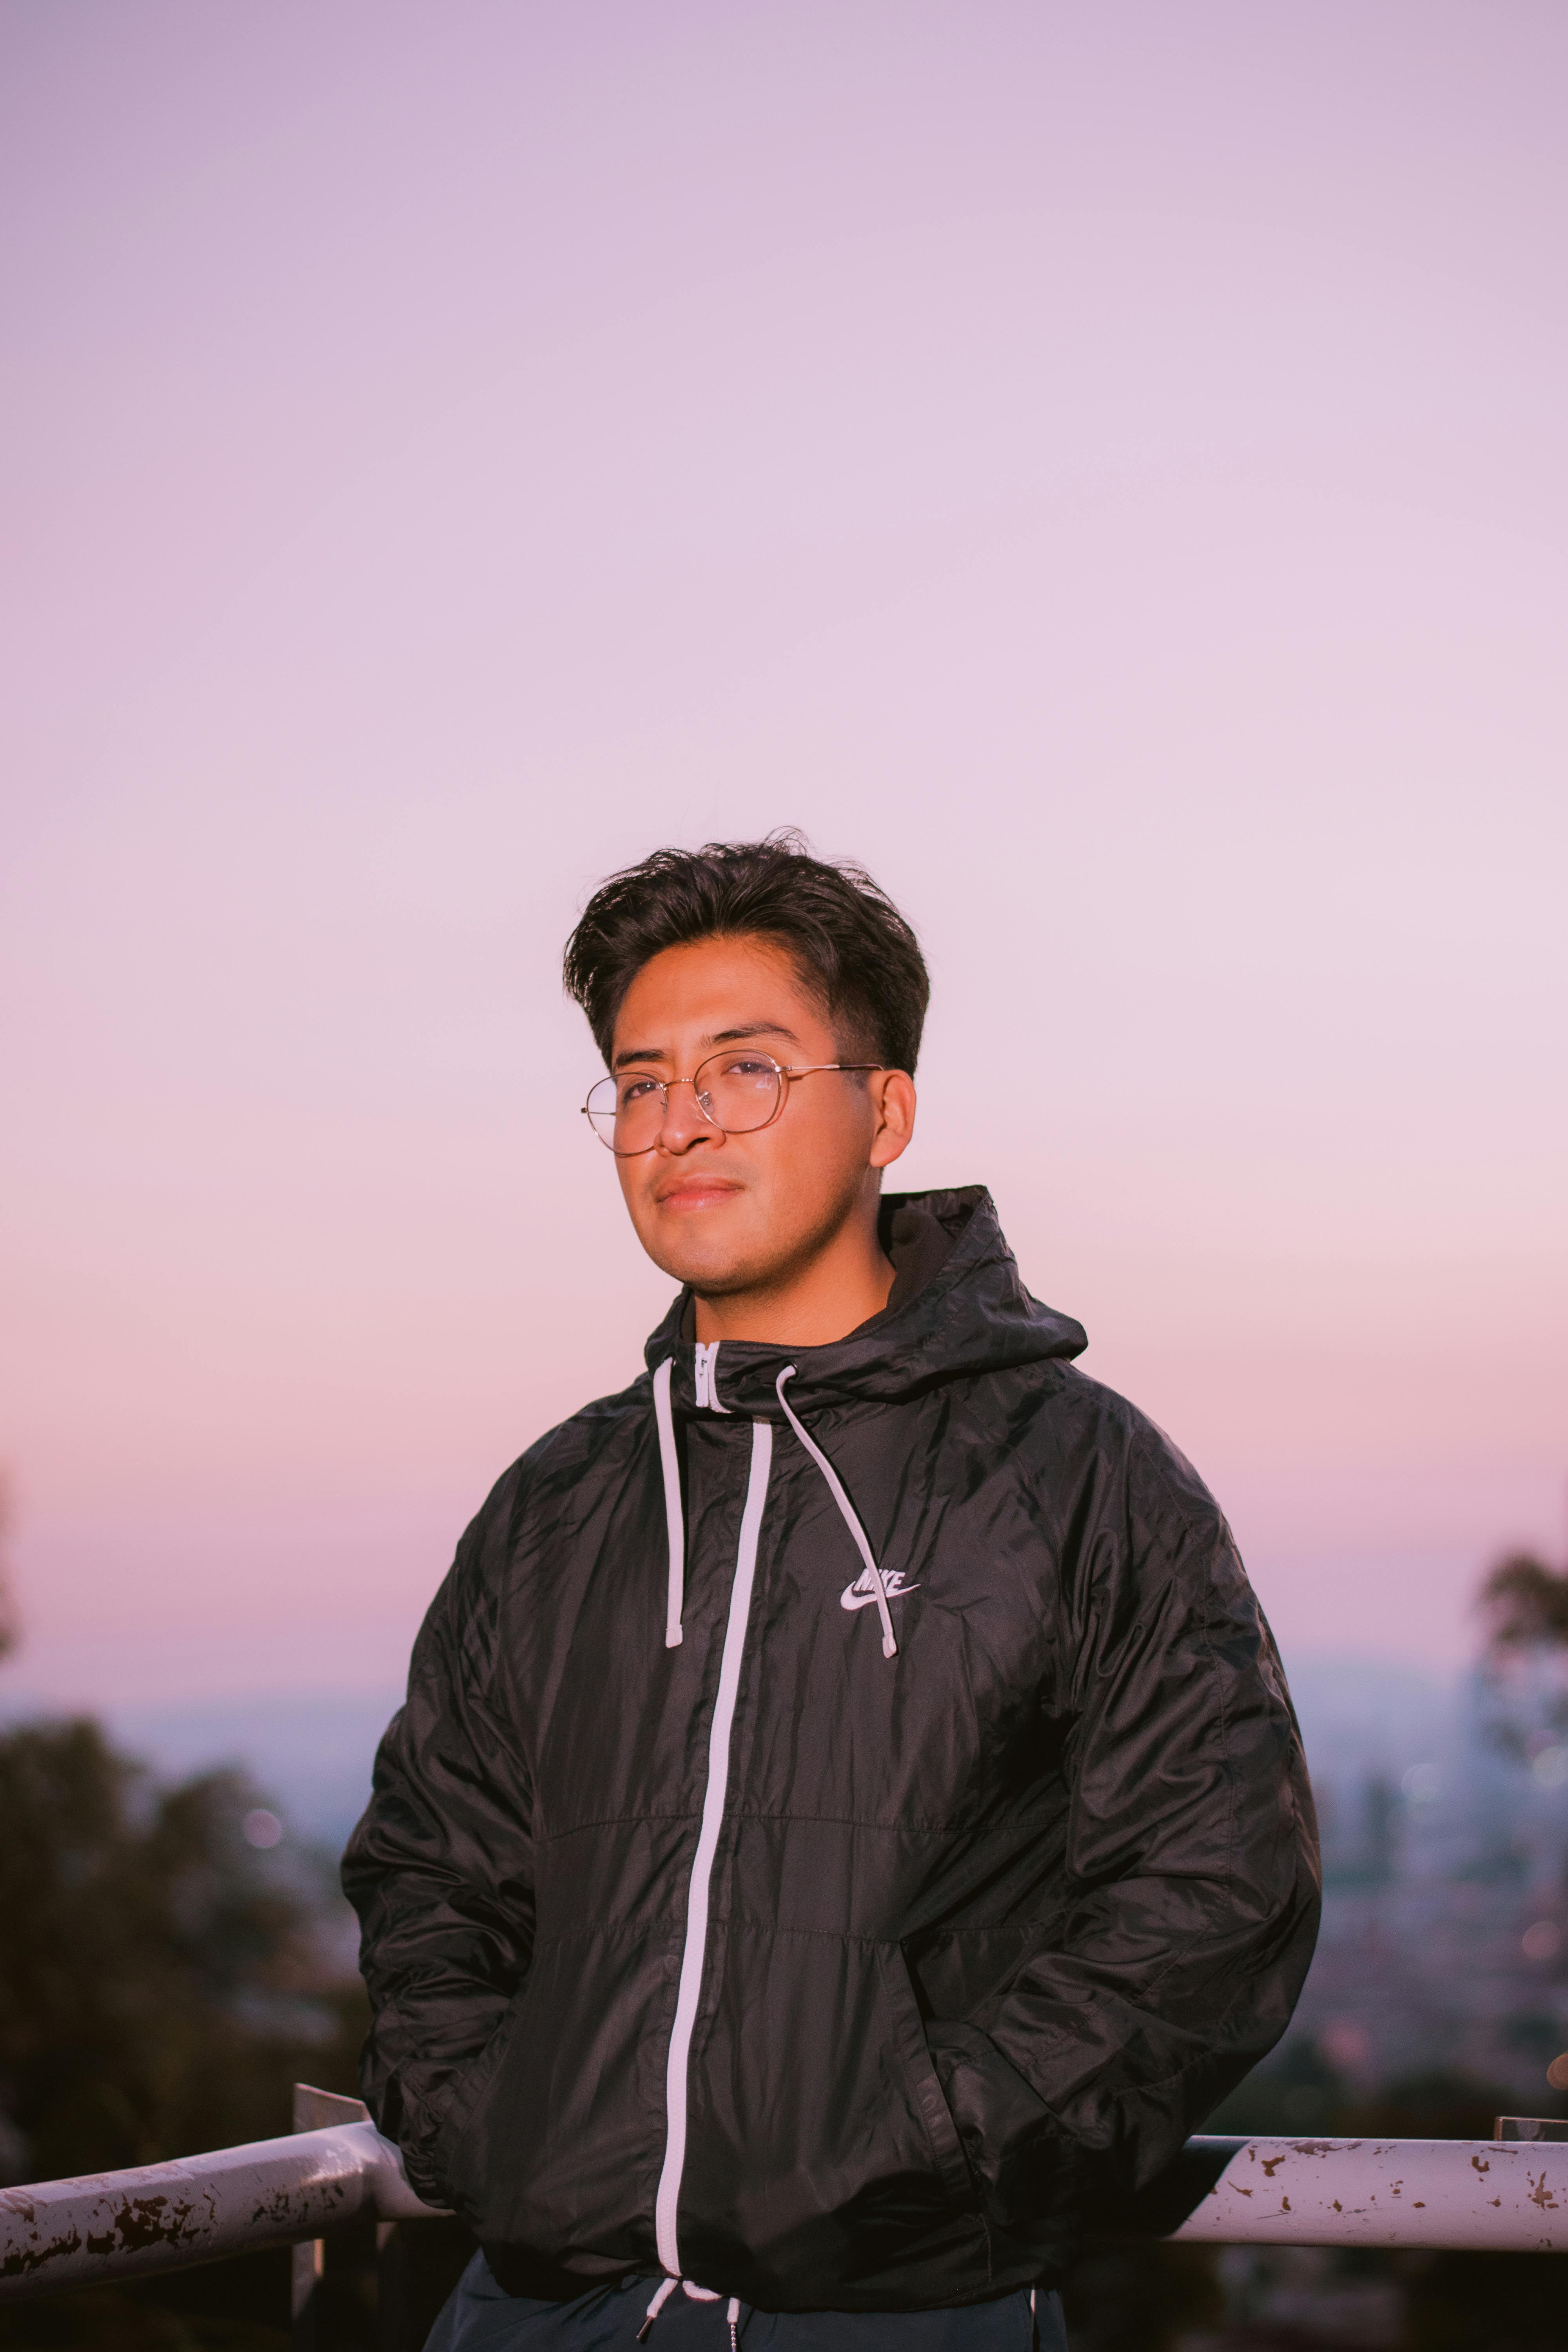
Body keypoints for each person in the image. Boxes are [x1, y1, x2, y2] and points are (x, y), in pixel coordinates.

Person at [343, 834, 1319, 2351]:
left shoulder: (1077, 1475)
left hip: (907, 2311)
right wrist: (496, 2135)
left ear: (886, 1113)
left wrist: (937, 2162)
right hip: (532, 2312)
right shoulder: (558, 1504)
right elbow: (432, 1872)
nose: (680, 1122)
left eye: (746, 1070)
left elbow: (1214, 1891)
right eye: (642, 1081)